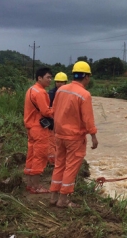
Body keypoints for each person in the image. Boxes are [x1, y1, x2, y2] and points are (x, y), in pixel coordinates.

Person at [49, 61, 99, 208]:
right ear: (87, 77)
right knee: (71, 166)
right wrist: (93, 136)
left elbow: (54, 111)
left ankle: (53, 196)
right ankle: (63, 199)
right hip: (74, 138)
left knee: (59, 164)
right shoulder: (84, 95)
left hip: (59, 135)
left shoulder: (61, 90)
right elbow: (88, 119)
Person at [23, 67, 54, 193]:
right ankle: (36, 187)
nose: (50, 80)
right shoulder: (41, 92)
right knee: (40, 157)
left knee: (31, 155)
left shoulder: (31, 90)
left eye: (51, 77)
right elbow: (46, 111)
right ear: (39, 78)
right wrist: (57, 109)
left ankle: (30, 184)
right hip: (39, 129)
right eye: (48, 77)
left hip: (31, 127)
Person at [47, 72, 68, 164]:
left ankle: (61, 158)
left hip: (64, 121)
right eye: (57, 82)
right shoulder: (51, 93)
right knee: (53, 140)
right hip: (53, 120)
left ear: (65, 83)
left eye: (61, 82)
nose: (59, 84)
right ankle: (53, 159)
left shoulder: (68, 93)